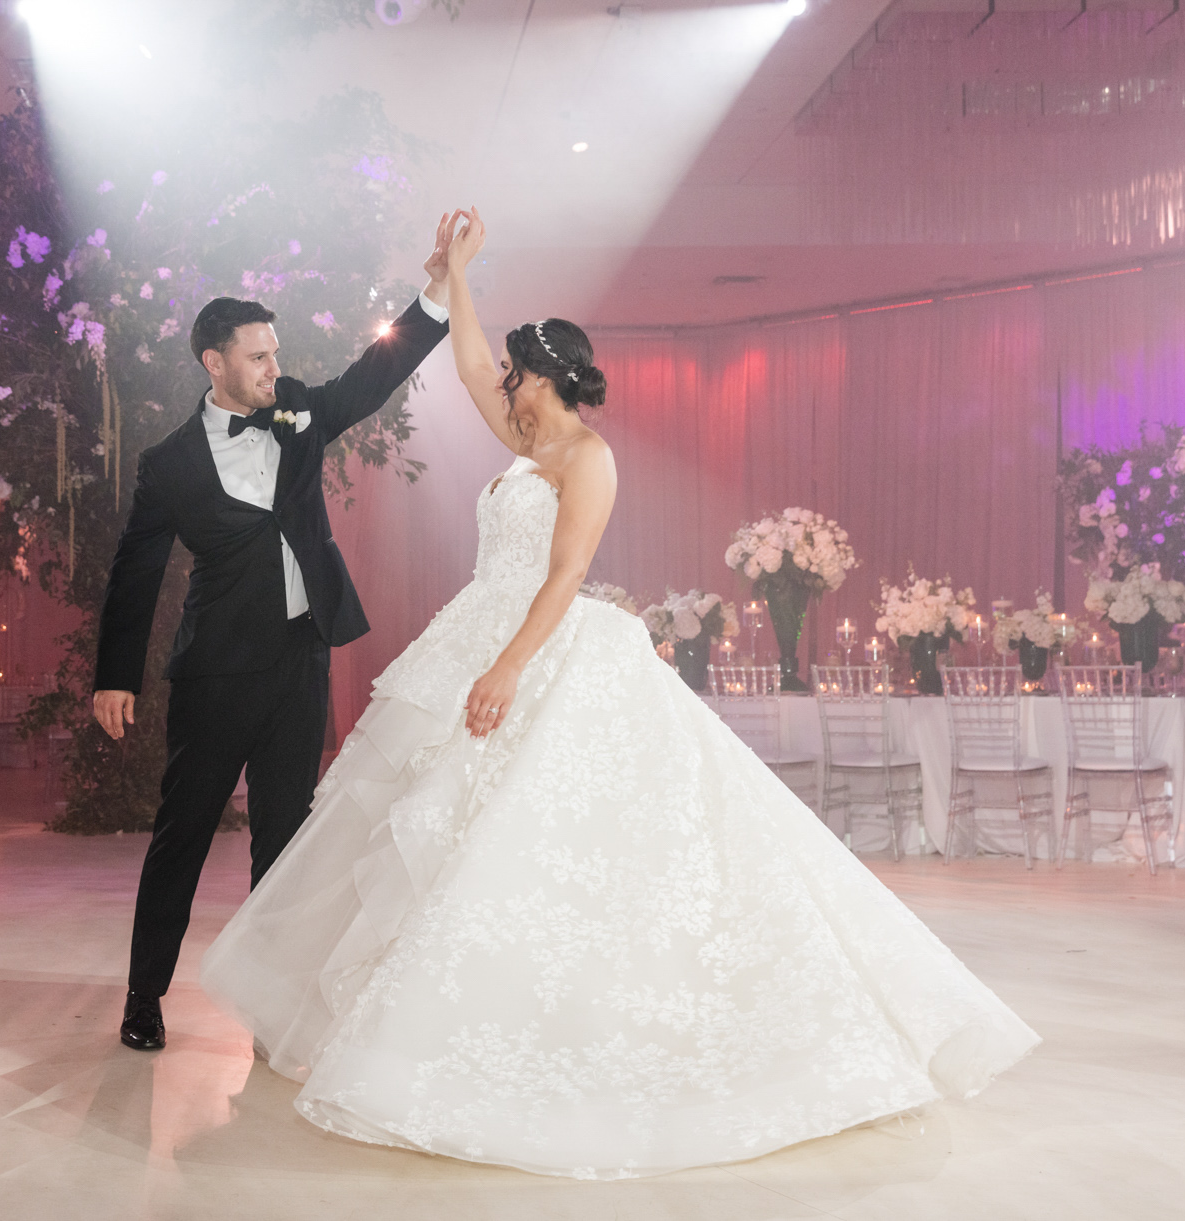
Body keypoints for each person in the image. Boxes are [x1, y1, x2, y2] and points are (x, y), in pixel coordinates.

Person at [199, 208, 1039, 1179]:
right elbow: (467, 364)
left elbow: (563, 574)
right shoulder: (520, 438)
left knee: (534, 841)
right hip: (471, 636)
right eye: (506, 376)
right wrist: (459, 276)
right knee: (428, 832)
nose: (501, 384)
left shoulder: (585, 459)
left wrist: (509, 664)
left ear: (548, 379)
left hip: (542, 646)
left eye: (516, 374)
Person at [93, 263, 455, 1052]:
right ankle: (143, 995)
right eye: (256, 356)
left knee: (286, 843)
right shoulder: (169, 463)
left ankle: (270, 1006)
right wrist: (115, 674)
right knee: (183, 834)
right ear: (213, 362)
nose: (272, 367)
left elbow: (370, 381)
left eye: (273, 353)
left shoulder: (297, 410)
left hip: (300, 661)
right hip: (216, 673)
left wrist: (436, 299)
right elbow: (136, 570)